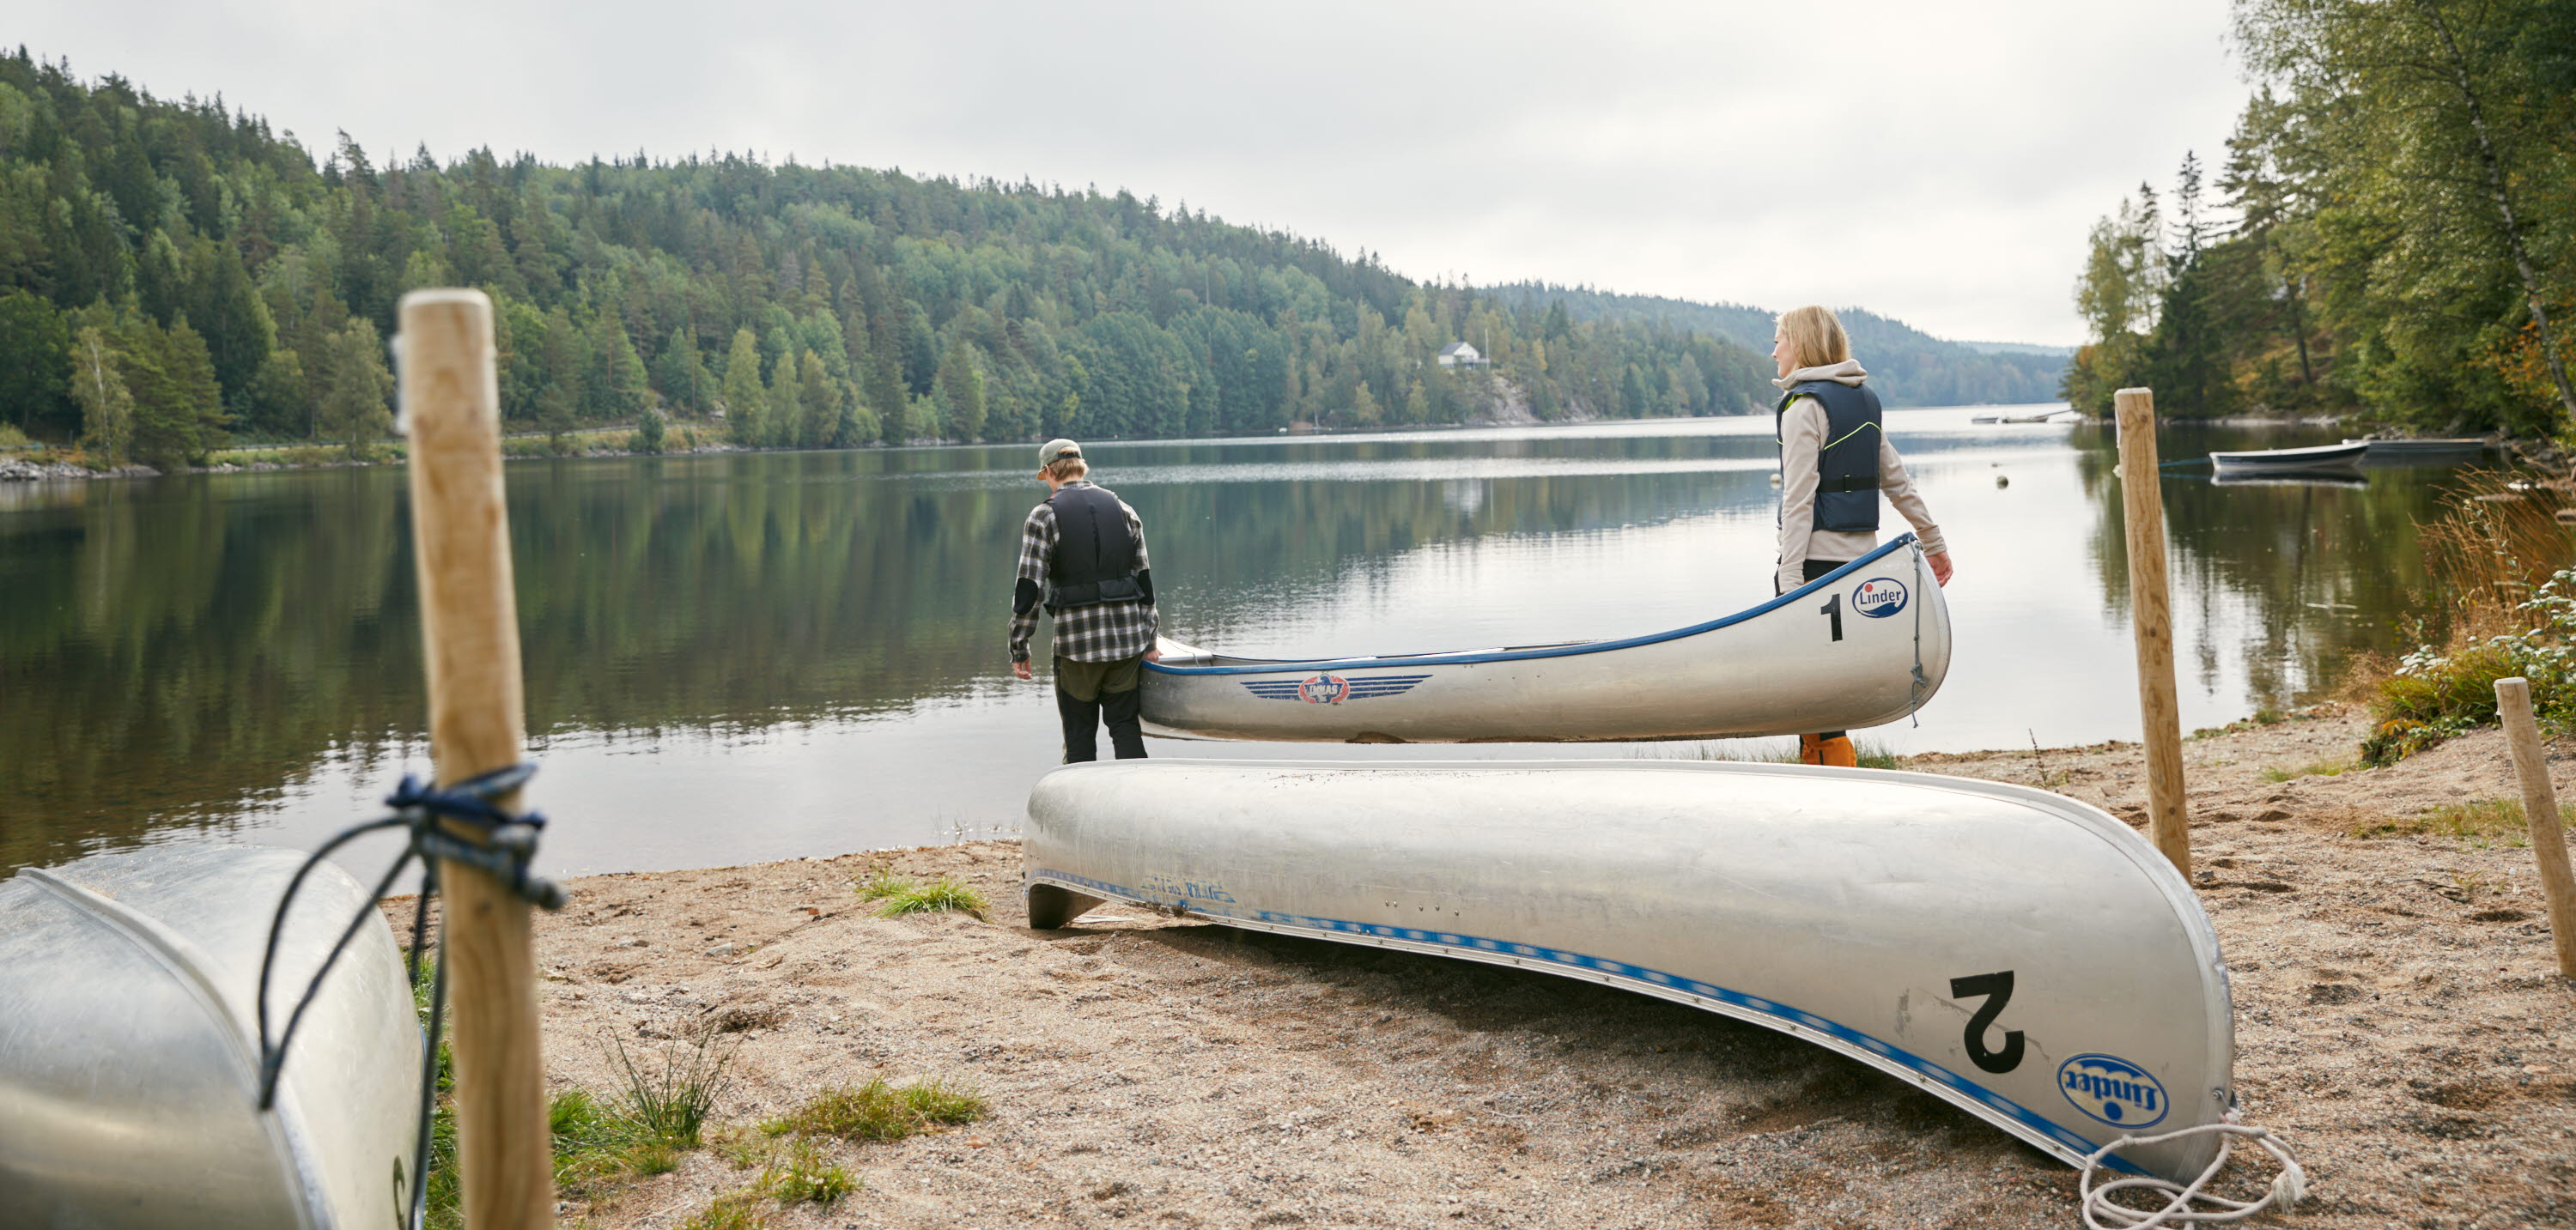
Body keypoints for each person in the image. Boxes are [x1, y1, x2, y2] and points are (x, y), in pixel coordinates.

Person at [1771, 305, 1954, 767]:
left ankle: (1830, 774)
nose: (1774, 350)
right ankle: (1826, 774)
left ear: (1802, 344)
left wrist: (1788, 581)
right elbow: (1898, 482)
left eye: (1780, 340)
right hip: (1860, 570)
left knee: (1810, 685)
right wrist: (1934, 544)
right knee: (1831, 685)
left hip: (1813, 570)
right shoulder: (1863, 403)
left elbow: (1798, 503)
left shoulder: (1804, 409)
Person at [1009, 439, 1158, 761]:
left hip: (1077, 647)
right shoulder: (1124, 510)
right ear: (1081, 466)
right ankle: (1138, 801)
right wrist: (1151, 640)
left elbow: (1029, 588)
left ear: (1049, 471)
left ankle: (1080, 803)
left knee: (1079, 736)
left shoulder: (1043, 517)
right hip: (1127, 641)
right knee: (1125, 727)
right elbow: (1144, 581)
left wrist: (1019, 646)